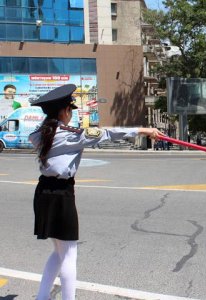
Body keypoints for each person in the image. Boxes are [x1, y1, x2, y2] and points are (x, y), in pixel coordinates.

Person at [28, 84, 163, 300]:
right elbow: (107, 133)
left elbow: (39, 137)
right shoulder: (71, 135)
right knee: (69, 252)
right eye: (70, 109)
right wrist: (143, 130)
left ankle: (42, 297)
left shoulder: (39, 134)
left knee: (59, 250)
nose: (71, 113)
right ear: (64, 111)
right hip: (61, 195)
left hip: (43, 192)